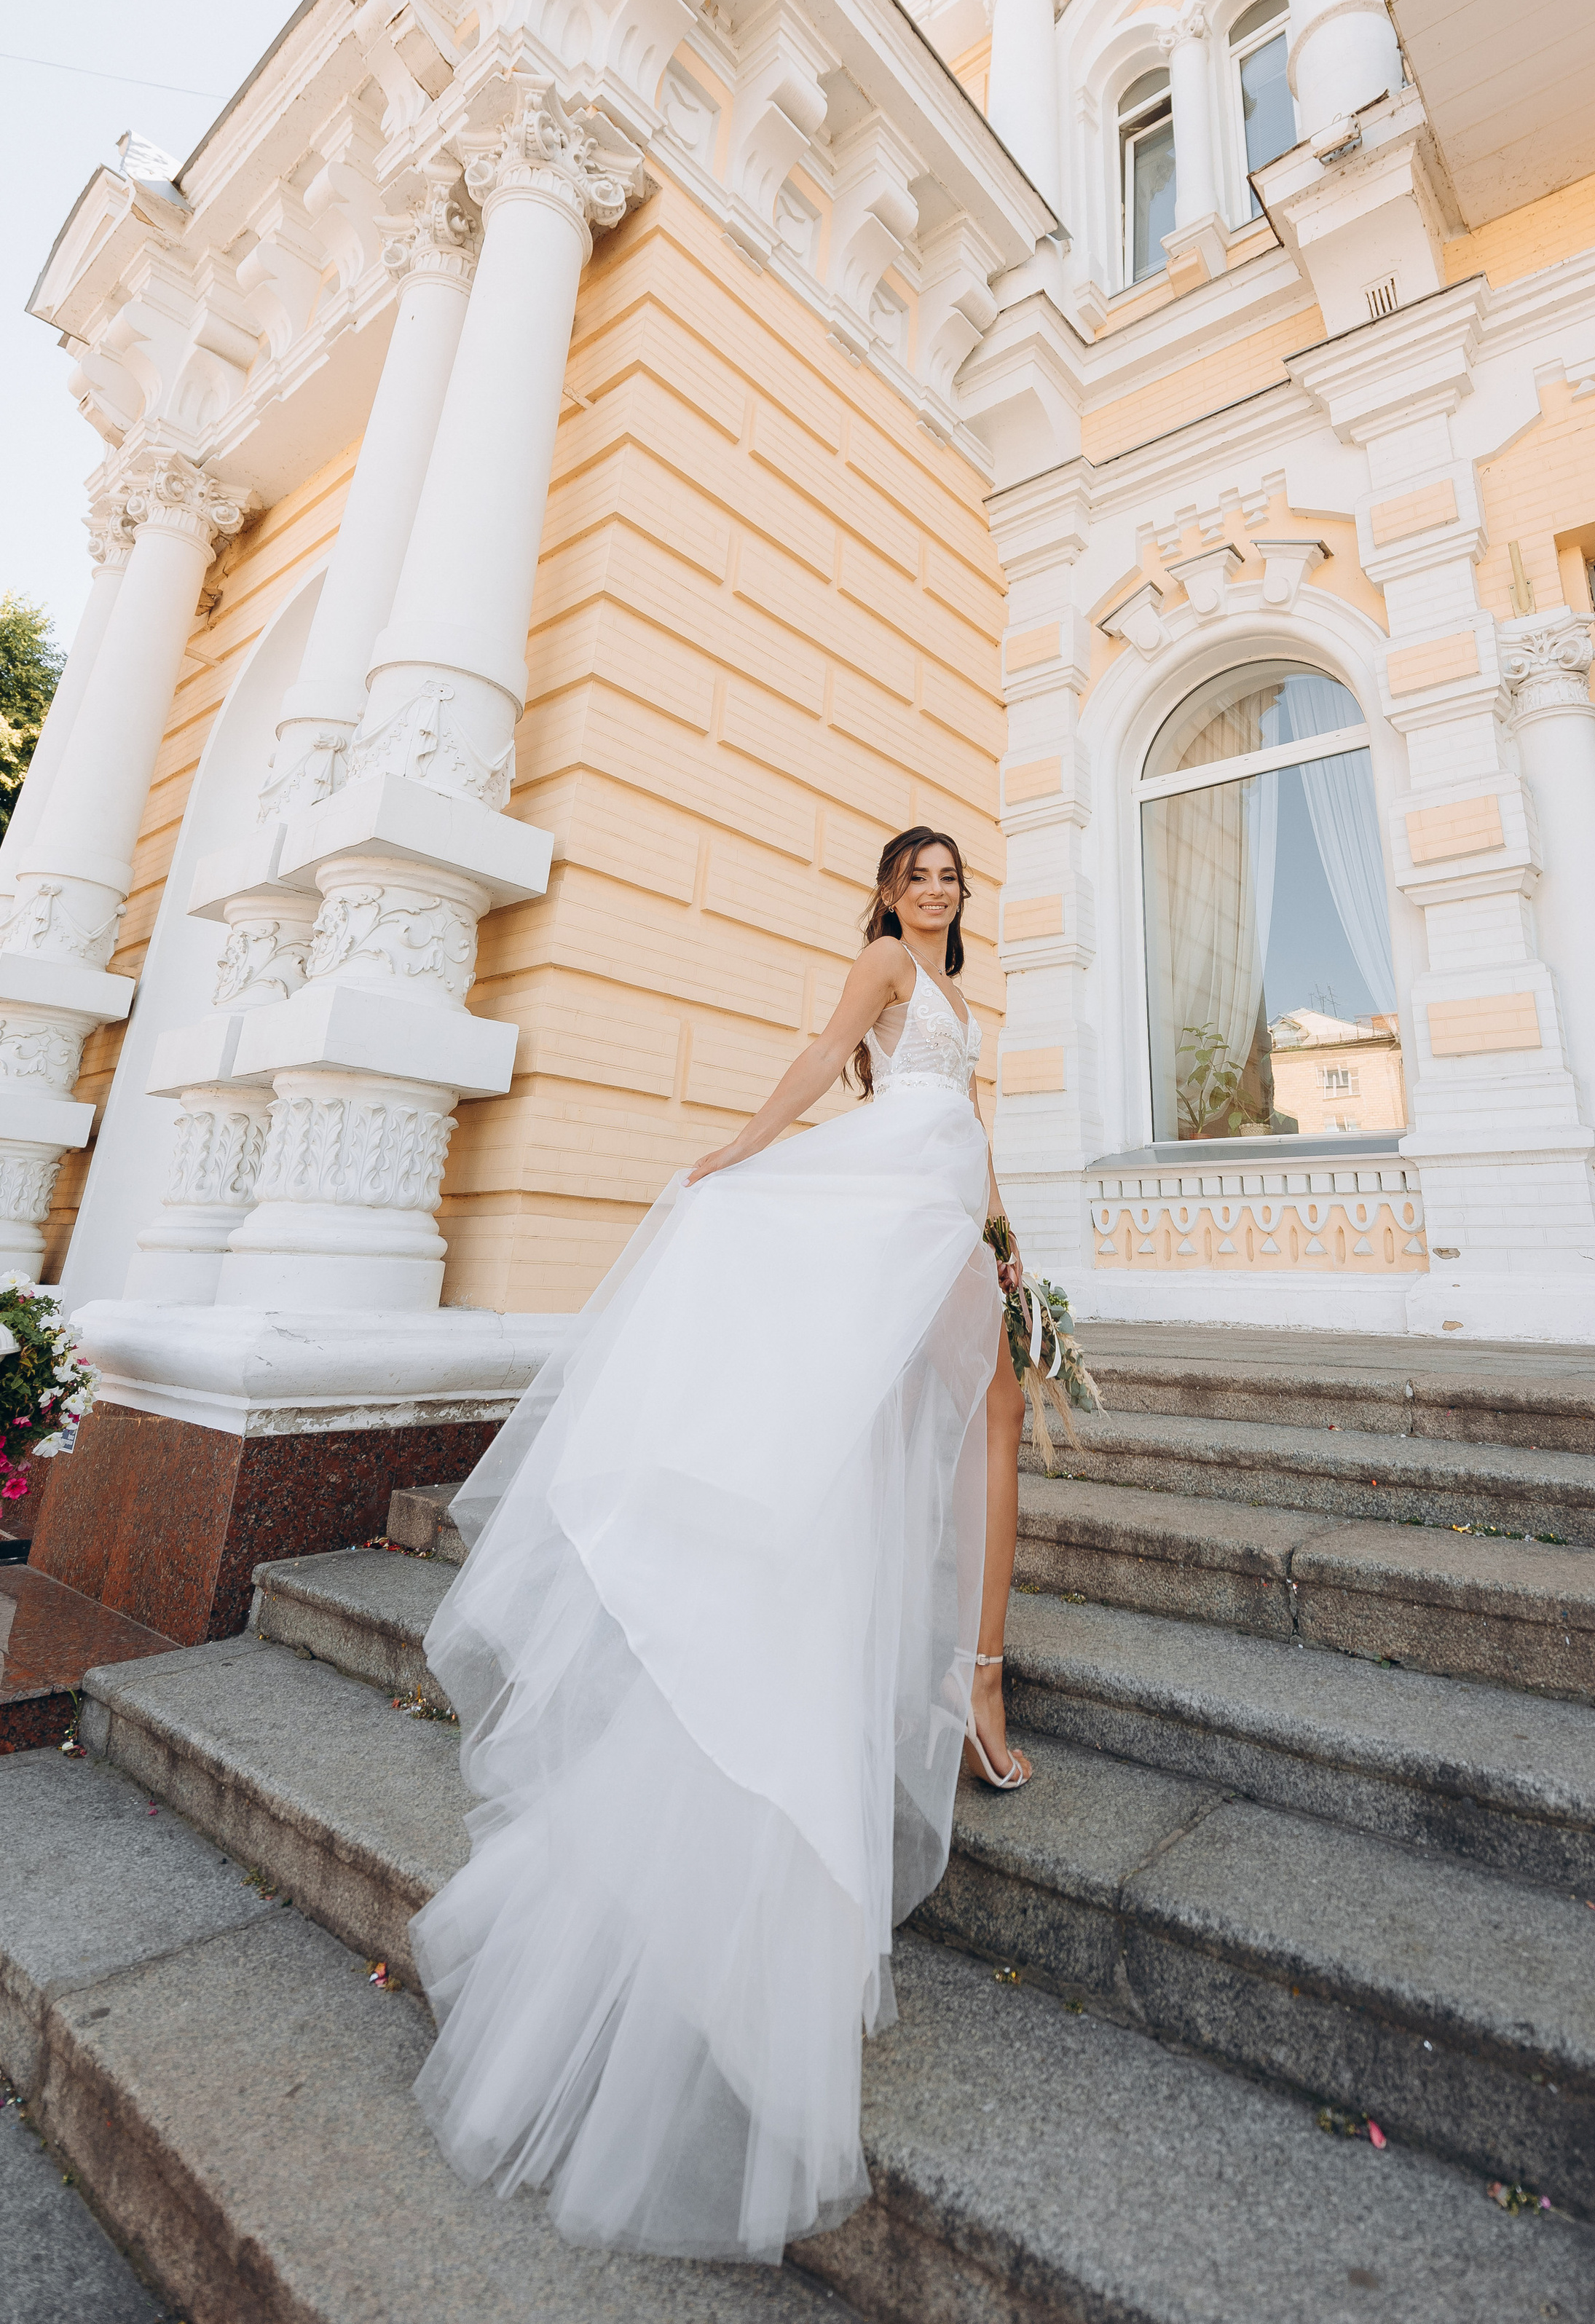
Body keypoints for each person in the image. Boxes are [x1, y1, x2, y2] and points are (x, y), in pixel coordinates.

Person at [410, 826, 1032, 2263]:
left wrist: (1011, 1241)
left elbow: (974, 1131)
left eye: (948, 877)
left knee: (967, 1414)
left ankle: (968, 1670)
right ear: (887, 892)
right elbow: (826, 1058)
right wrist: (744, 1149)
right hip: (885, 1206)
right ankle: (965, 1676)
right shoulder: (886, 966)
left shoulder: (959, 989)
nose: (934, 891)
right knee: (935, 1420)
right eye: (916, 874)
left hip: (944, 1214)